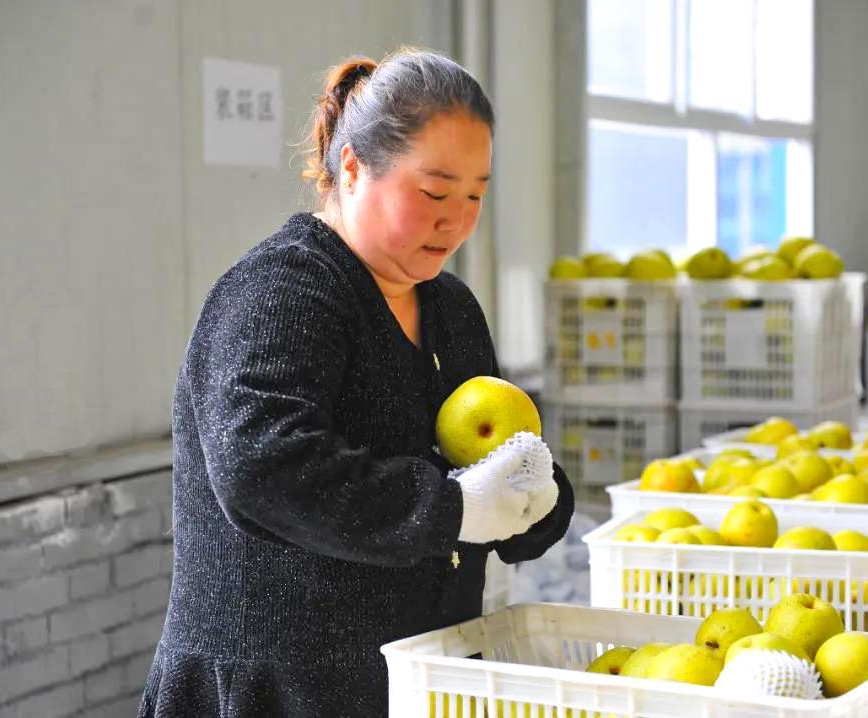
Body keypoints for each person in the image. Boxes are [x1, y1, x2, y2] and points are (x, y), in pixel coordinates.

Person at [137, 48, 574, 717]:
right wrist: (452, 511)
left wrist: (533, 503)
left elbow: (487, 457)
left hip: (418, 676)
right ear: (352, 167)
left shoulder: (450, 309)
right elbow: (262, 467)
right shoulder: (281, 292)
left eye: (474, 195)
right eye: (432, 192)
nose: (454, 221)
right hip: (282, 687)